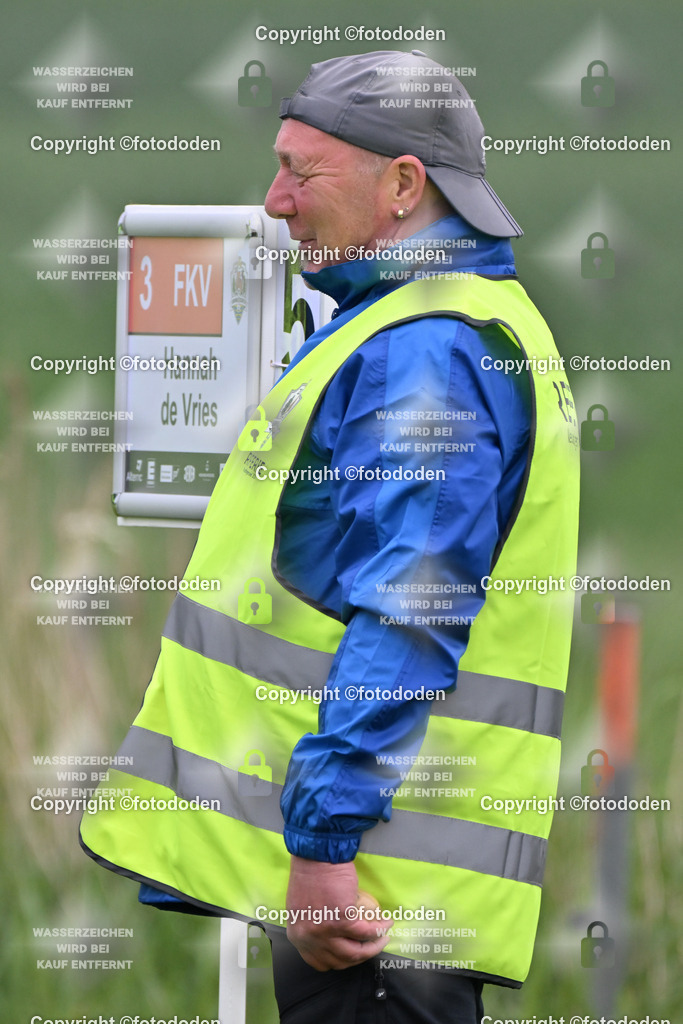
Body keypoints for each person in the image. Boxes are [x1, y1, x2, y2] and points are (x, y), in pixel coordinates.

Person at [81, 50, 580, 1024]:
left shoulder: (430, 350)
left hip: (371, 898)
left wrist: (322, 842)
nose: (274, 203)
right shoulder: (429, 324)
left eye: (299, 172)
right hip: (382, 889)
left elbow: (409, 608)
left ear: (403, 185)